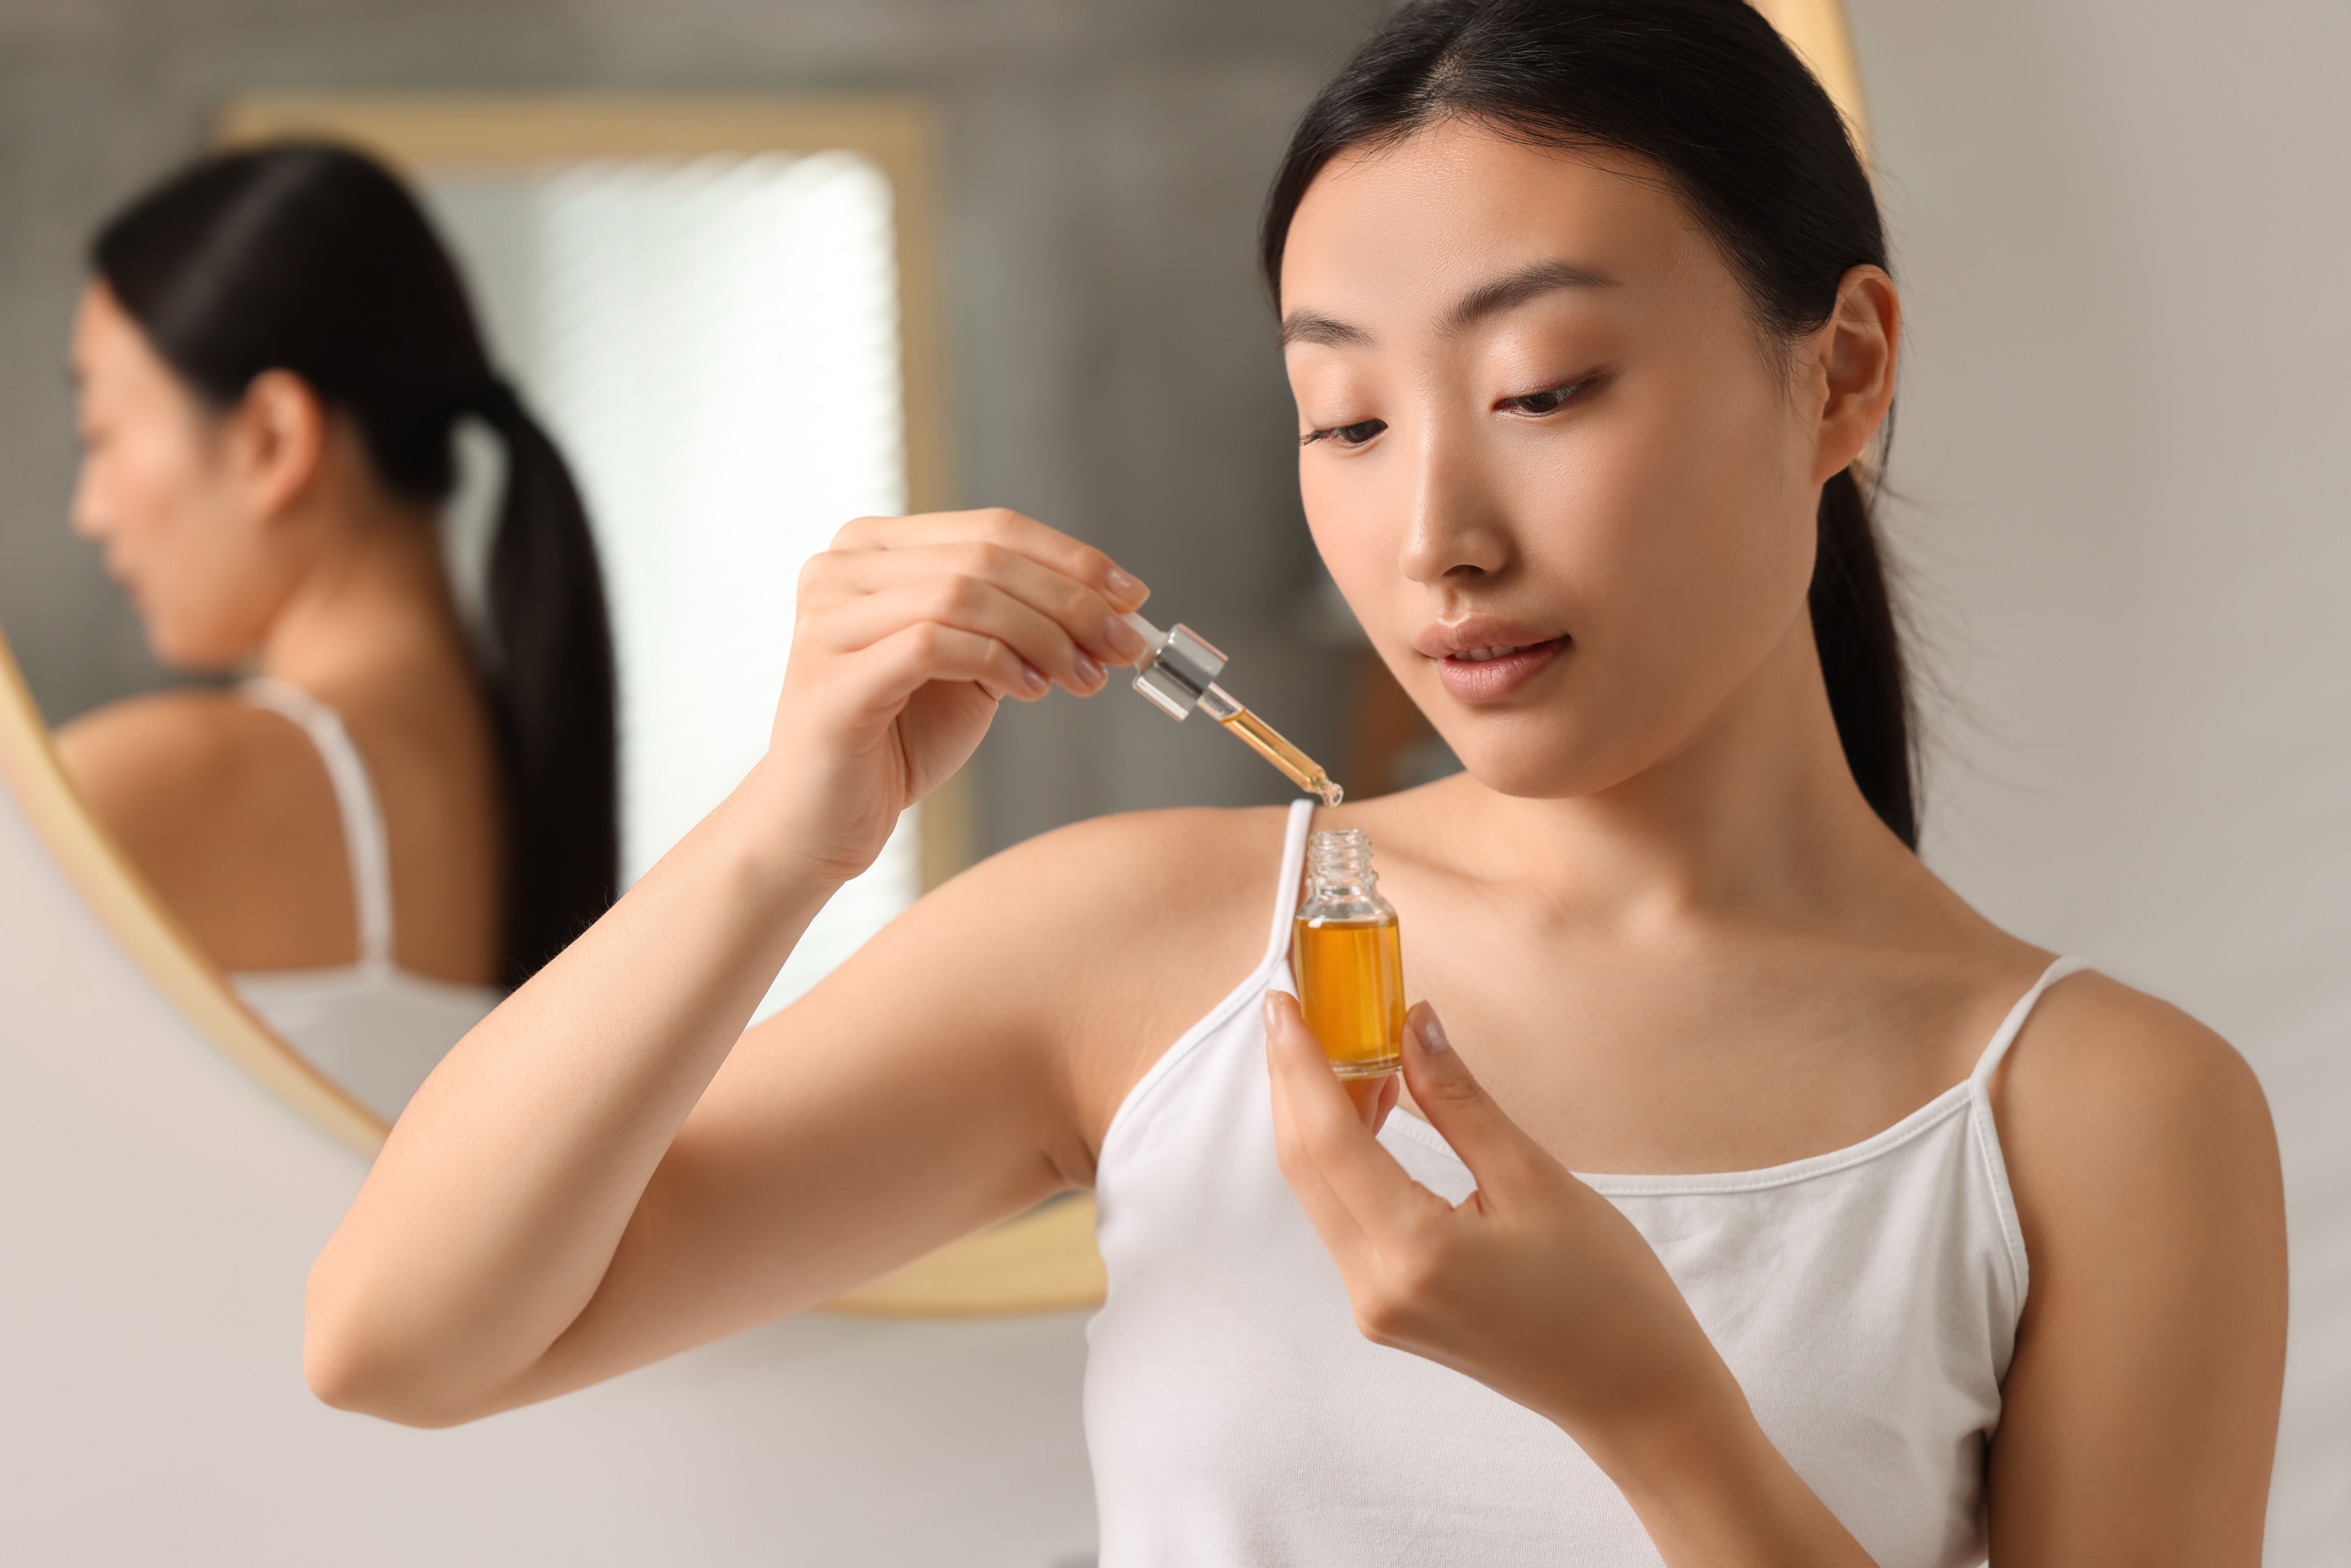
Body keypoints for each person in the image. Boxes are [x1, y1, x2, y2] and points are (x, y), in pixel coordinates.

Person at [302, 1, 2286, 1561]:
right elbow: (404, 1337)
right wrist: (782, 840)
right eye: (1343, 415)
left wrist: (1653, 1416)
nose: (1434, 534)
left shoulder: (2099, 1115)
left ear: (1840, 372)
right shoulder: (1147, 946)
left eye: (1542, 392)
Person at [61, 144, 618, 1122]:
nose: (90, 511)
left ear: (274, 438)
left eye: (102, 433)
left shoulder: (173, 780)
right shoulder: (528, 786)